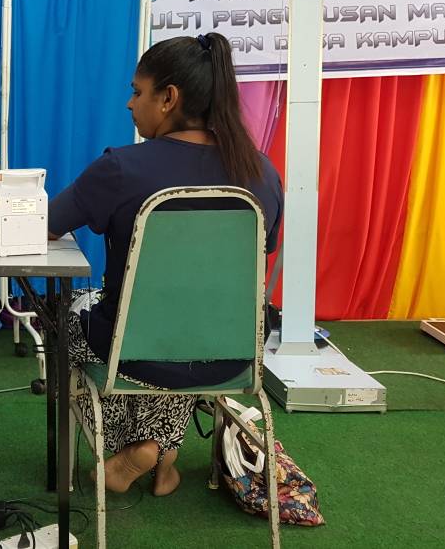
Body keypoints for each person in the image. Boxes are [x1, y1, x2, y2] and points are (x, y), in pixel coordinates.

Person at [48, 32, 283, 496]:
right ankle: (160, 449)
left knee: (76, 315)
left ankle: (139, 448)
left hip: (136, 350)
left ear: (168, 98)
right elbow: (264, 253)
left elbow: (49, 224)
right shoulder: (263, 172)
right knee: (184, 327)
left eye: (137, 92)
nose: (130, 104)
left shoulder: (121, 168)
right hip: (234, 354)